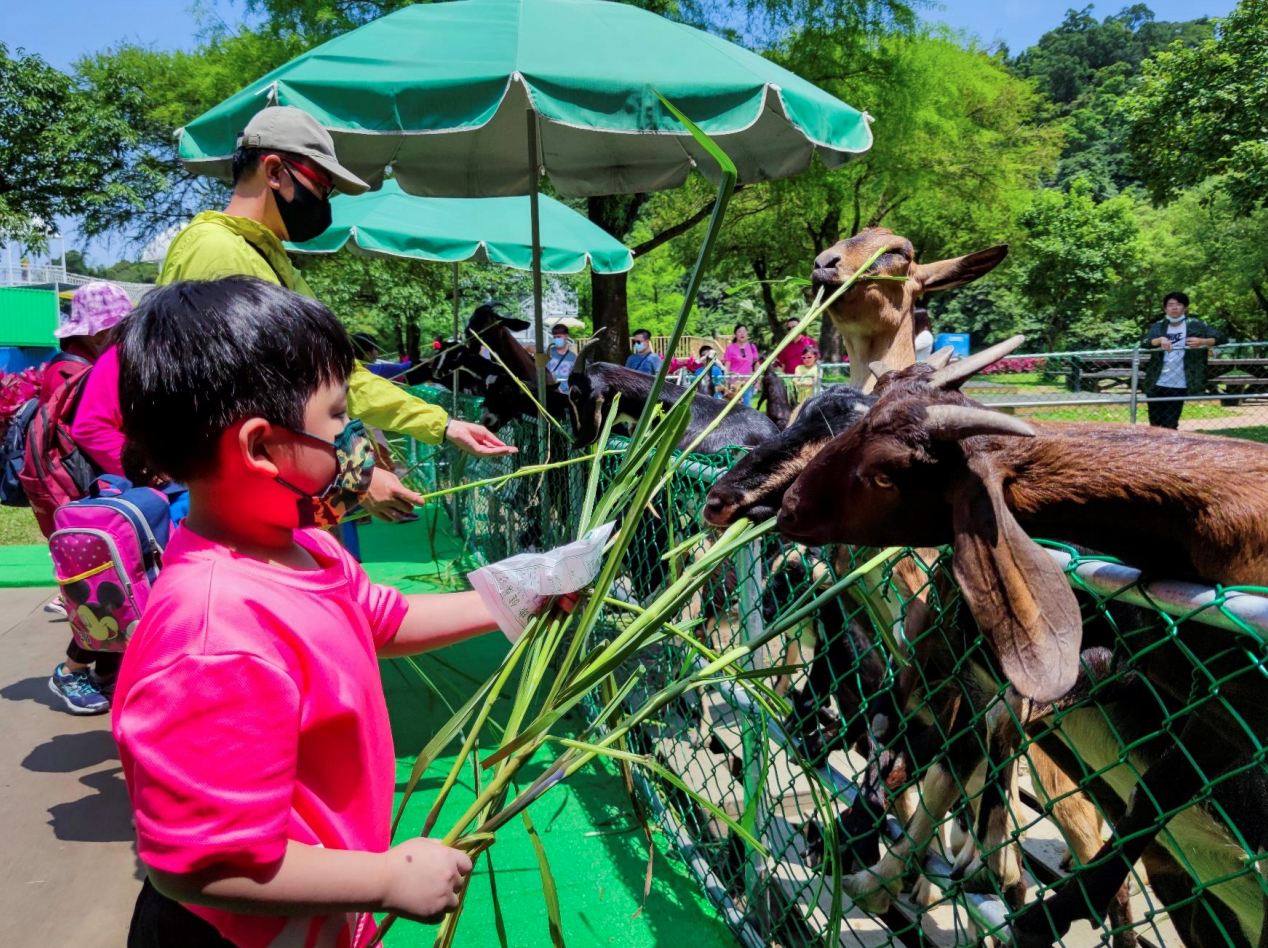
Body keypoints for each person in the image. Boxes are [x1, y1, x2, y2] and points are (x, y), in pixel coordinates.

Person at [111, 278, 562, 948]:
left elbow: (381, 620)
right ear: (262, 449)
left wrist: (525, 591)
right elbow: (201, 867)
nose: (356, 439)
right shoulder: (215, 633)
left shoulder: (305, 548)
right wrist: (381, 880)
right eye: (336, 418)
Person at [155, 105, 513, 523]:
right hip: (245, 511)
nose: (324, 203)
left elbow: (335, 374)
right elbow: (261, 399)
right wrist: (358, 476)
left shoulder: (270, 258)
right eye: (322, 187)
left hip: (279, 502)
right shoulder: (216, 254)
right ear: (274, 171)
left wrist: (444, 426)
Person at [36, 282, 133, 714]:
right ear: (99, 335)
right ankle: (70, 672)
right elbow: (92, 430)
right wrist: (140, 472)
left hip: (89, 492)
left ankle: (106, 673)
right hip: (81, 494)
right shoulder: (73, 372)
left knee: (120, 586)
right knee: (103, 592)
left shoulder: (76, 366)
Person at [1142, 292, 1227, 429]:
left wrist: (1202, 341)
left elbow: (1222, 338)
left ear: (1185, 308)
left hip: (1180, 381)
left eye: (1178, 304)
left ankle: (1170, 449)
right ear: (1165, 309)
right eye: (1170, 305)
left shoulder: (1196, 325)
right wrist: (1159, 340)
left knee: (1170, 423)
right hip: (1156, 380)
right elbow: (1144, 343)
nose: (1174, 308)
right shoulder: (1157, 327)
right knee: (1154, 423)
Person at [723, 324, 761, 407]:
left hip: (747, 382)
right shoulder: (730, 348)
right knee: (733, 407)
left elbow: (756, 364)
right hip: (734, 383)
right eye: (739, 332)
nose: (742, 334)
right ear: (735, 335)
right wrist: (726, 384)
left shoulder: (752, 346)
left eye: (744, 331)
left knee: (747, 406)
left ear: (747, 333)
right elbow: (727, 366)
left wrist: (758, 381)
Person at [546, 324, 576, 393]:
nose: (556, 339)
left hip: (566, 393)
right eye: (554, 337)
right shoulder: (547, 353)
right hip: (550, 392)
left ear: (566, 337)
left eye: (559, 337)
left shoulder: (573, 357)